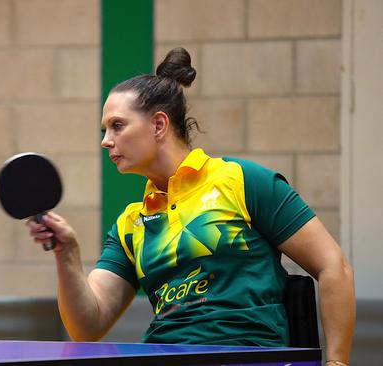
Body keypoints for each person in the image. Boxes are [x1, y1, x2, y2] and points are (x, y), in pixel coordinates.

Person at [26, 47, 355, 365]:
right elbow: (87, 327)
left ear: (158, 125)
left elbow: (333, 266)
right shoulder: (130, 224)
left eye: (117, 125)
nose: (105, 141)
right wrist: (66, 252)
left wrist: (337, 362)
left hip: (250, 355)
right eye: (104, 130)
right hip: (165, 355)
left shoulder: (241, 181)